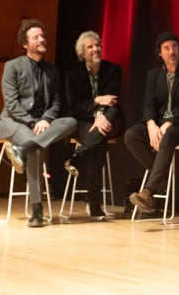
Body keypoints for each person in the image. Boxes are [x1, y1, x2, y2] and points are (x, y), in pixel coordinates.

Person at [0, 19, 77, 227]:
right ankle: (36, 210)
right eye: (36, 37)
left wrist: (47, 119)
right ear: (25, 44)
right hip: (15, 122)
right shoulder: (12, 66)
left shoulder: (52, 71)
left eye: (43, 36)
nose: (42, 39)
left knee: (71, 122)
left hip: (41, 123)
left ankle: (23, 149)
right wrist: (34, 123)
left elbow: (56, 102)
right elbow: (12, 104)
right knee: (37, 146)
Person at [124, 30, 179, 212]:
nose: (171, 51)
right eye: (166, 48)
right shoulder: (154, 75)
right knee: (132, 135)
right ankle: (161, 177)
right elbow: (148, 104)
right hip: (160, 123)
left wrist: (169, 123)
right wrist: (151, 124)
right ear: (160, 53)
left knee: (168, 136)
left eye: (174, 46)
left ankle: (149, 192)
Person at [63, 30, 124, 220]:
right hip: (85, 121)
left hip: (109, 119)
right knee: (97, 144)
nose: (96, 49)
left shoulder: (113, 69)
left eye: (97, 45)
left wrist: (100, 114)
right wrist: (97, 101)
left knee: (112, 111)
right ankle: (94, 204)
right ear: (82, 53)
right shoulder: (73, 75)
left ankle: (78, 157)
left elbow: (112, 100)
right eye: (90, 47)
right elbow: (75, 106)